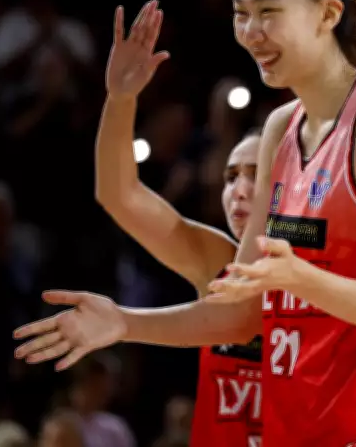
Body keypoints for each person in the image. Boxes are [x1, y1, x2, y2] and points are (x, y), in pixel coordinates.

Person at [15, 0, 356, 446]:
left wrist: (302, 279)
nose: (249, 31)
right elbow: (243, 312)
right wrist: (123, 323)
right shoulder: (280, 129)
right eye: (240, 13)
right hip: (295, 431)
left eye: (268, 12)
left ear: (328, 14)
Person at [93, 57, 263, 447]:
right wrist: (121, 99)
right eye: (231, 176)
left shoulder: (320, 265)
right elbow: (118, 194)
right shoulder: (218, 261)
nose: (239, 189)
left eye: (257, 173)